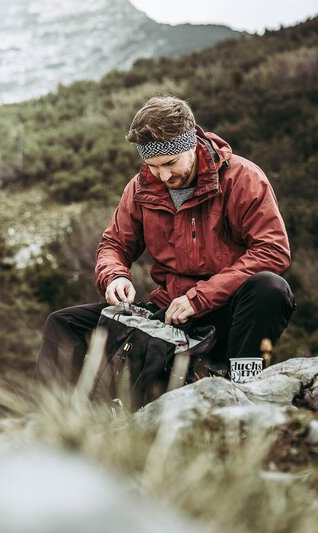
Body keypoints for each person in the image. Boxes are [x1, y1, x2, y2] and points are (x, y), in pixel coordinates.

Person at [36, 95, 296, 385]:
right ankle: (51, 420)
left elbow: (272, 250)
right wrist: (114, 277)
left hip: (230, 313)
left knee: (271, 288)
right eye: (153, 165)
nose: (163, 175)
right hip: (168, 314)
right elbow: (114, 245)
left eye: (171, 163)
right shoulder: (140, 188)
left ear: (192, 145)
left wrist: (199, 299)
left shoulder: (243, 179)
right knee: (64, 324)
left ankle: (244, 386)